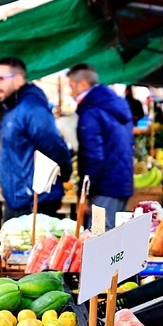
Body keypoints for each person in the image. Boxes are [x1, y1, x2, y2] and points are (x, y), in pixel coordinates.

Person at [0, 56, 72, 220]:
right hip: (17, 200)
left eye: (0, 79)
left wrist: (65, 172)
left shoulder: (32, 108)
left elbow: (54, 146)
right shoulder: (12, 109)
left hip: (34, 202)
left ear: (19, 79)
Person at [67, 63, 134, 230]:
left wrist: (86, 192)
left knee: (98, 237)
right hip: (120, 184)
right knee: (110, 237)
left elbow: (93, 156)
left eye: (71, 86)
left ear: (82, 84)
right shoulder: (114, 104)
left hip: (104, 187)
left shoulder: (91, 112)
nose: (71, 91)